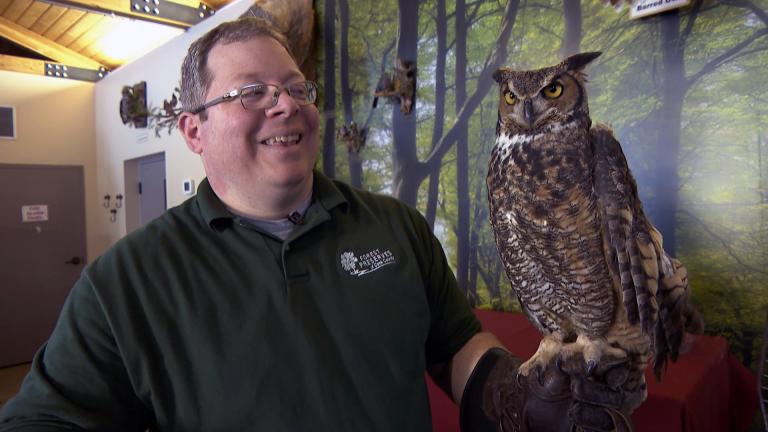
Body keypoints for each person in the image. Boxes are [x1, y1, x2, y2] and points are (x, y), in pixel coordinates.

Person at [0, 16, 639, 431]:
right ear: (194, 129)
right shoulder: (128, 280)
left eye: (297, 88)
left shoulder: (396, 228)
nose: (287, 103)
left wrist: (518, 398)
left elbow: (456, 346)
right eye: (251, 92)